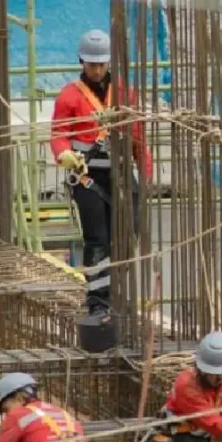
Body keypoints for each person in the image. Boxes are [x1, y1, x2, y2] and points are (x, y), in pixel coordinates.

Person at [50, 28, 154, 319]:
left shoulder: (124, 93)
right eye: (91, 64)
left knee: (126, 234)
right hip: (88, 178)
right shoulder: (69, 97)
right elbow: (58, 135)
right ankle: (98, 300)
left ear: (109, 62)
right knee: (97, 240)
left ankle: (118, 293)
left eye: (101, 64)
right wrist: (64, 155)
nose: (97, 69)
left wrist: (145, 174)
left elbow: (138, 138)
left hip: (121, 175)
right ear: (81, 62)